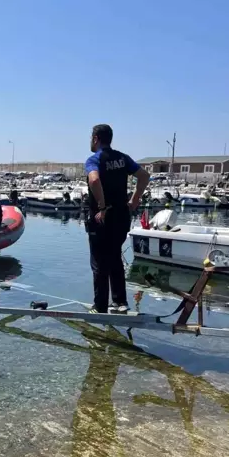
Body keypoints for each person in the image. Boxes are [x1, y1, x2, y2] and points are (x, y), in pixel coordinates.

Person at [85, 124, 149, 314]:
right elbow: (144, 176)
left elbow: (94, 180)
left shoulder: (94, 159)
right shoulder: (123, 158)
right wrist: (134, 201)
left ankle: (100, 307)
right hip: (122, 216)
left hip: (102, 218)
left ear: (96, 138)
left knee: (99, 262)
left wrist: (102, 206)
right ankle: (120, 302)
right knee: (114, 257)